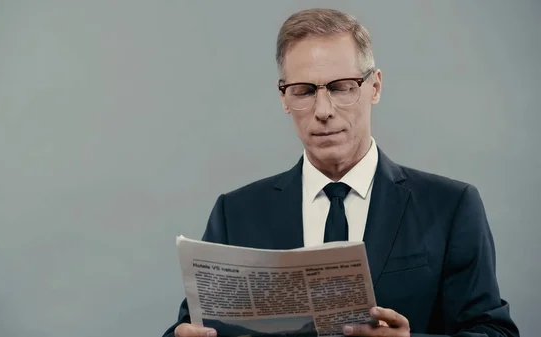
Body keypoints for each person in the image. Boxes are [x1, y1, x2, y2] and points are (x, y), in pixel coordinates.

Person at [162, 8, 519, 337]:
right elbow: (189, 326)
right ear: (284, 98)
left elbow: (495, 331)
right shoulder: (235, 214)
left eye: (340, 86)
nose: (323, 110)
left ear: (374, 87)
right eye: (303, 91)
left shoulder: (451, 207)